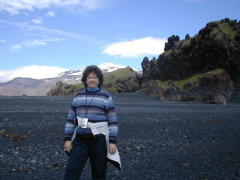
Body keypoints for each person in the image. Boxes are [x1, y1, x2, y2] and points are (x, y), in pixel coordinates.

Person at [63, 65, 121, 180]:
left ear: (99, 80)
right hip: (80, 139)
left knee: (99, 173)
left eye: (95, 77)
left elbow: (112, 120)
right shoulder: (78, 96)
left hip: (99, 139)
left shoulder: (105, 96)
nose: (92, 79)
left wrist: (112, 142)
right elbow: (70, 119)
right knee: (71, 171)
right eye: (89, 77)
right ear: (85, 79)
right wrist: (67, 139)